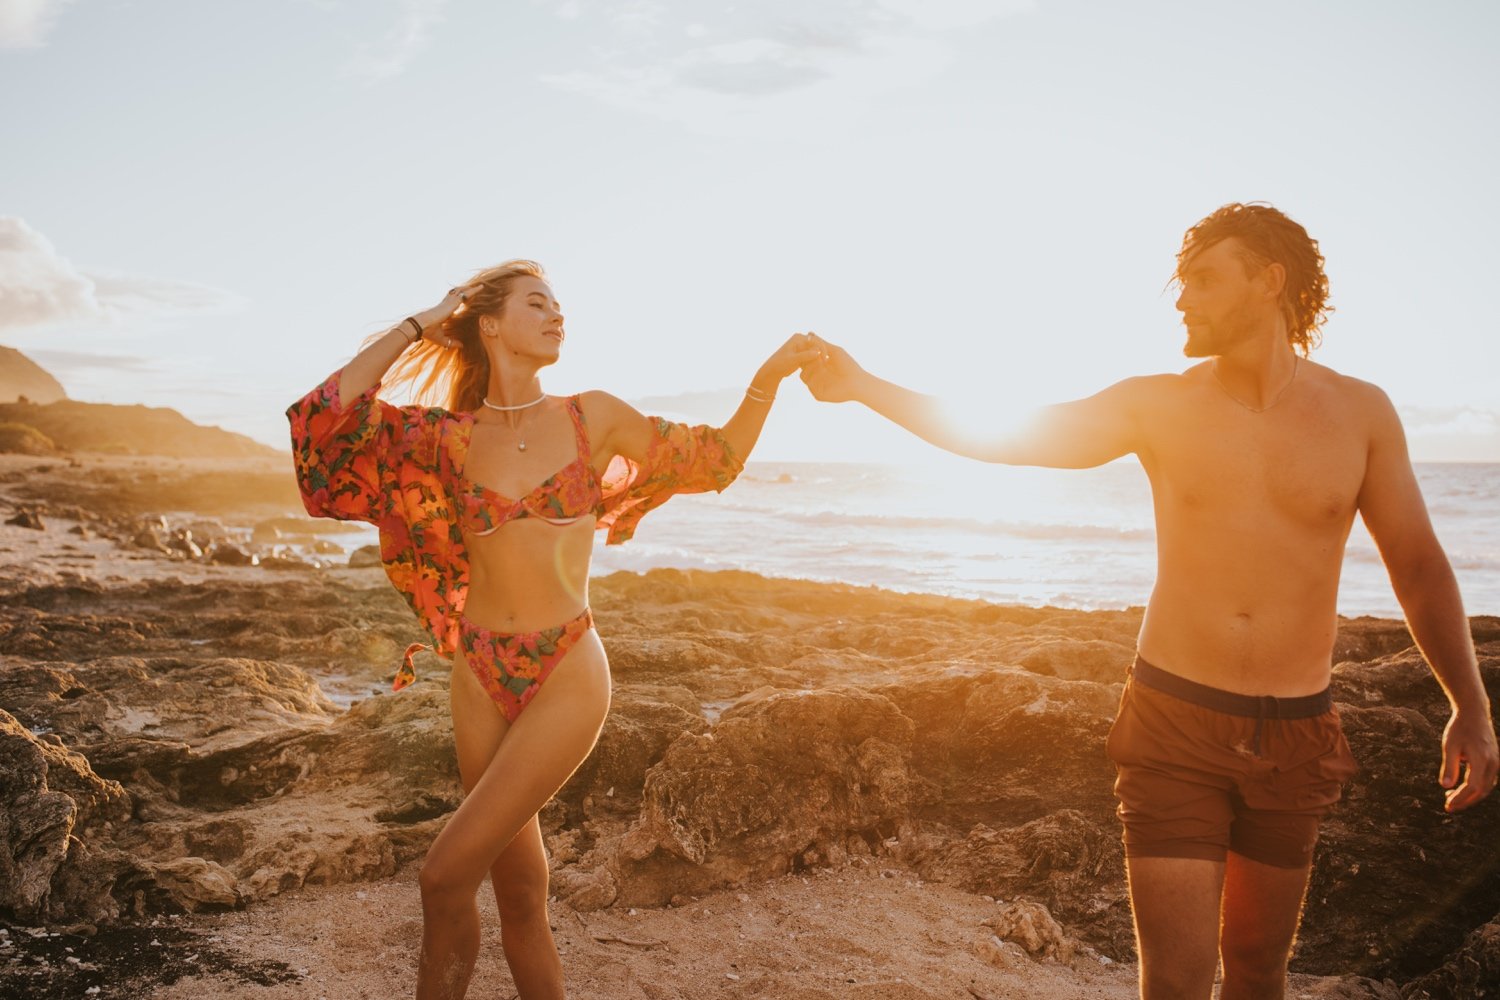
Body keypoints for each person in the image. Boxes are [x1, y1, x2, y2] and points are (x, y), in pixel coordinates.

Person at [799, 203, 1498, 1000]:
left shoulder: (1360, 414)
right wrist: (862, 387)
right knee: (1175, 980)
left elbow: (1416, 562)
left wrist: (1467, 705)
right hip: (1175, 721)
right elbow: (1007, 437)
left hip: (1297, 732)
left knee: (1261, 972)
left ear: (1270, 283)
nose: (1182, 299)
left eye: (1204, 279)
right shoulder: (1157, 405)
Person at [287, 260, 819, 1000]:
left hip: (567, 667)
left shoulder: (590, 417)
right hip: (478, 674)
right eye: (537, 302)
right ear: (490, 324)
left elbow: (716, 458)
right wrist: (422, 322)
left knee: (442, 874)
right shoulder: (446, 438)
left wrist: (767, 378)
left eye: (560, 305)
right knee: (517, 896)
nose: (557, 314)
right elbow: (324, 421)